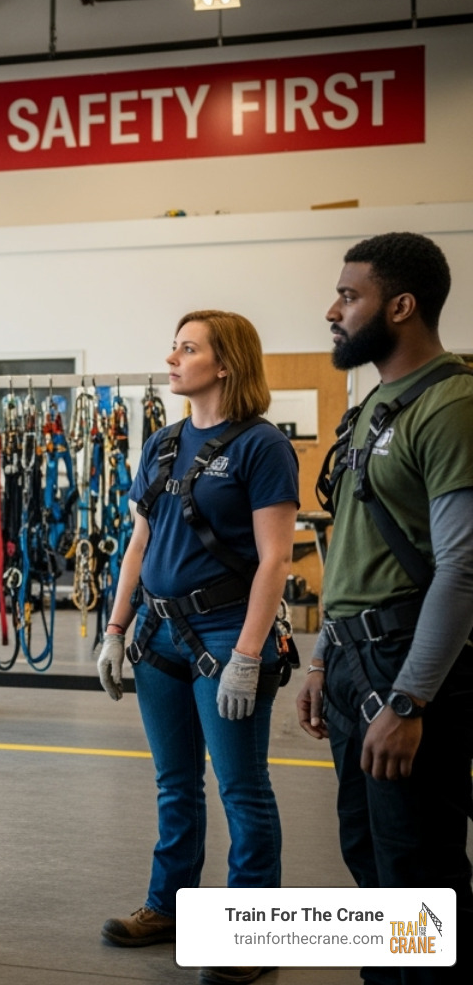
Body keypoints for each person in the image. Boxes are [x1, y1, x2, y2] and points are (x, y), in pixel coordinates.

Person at [97, 311, 298, 985]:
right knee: (175, 783)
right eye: (174, 346)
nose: (173, 357)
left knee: (243, 790)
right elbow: (139, 542)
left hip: (224, 636)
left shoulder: (262, 447)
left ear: (226, 363)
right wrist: (116, 628)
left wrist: (247, 654)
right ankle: (171, 905)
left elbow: (274, 561)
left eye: (189, 348)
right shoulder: (160, 444)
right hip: (159, 637)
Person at [299, 232, 473, 985]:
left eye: (350, 295)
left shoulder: (452, 404)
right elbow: (352, 548)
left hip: (406, 668)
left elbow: (463, 566)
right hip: (349, 660)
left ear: (400, 306)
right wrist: (320, 658)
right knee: (370, 865)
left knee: (418, 878)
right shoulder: (375, 404)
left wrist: (409, 698)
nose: (332, 309)